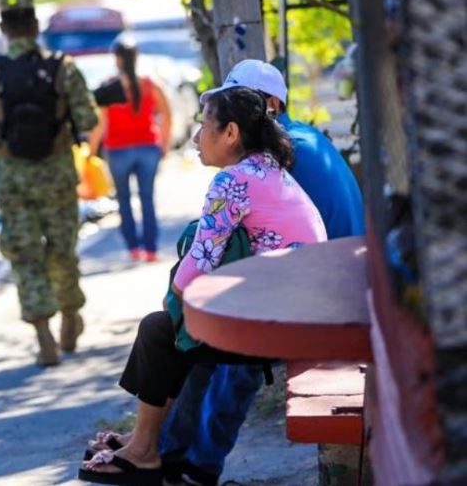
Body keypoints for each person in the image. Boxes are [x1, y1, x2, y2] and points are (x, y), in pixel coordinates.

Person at [79, 86, 327, 484]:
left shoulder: (233, 180)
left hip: (281, 324)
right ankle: (148, 444)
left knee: (160, 330)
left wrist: (172, 294)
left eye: (202, 127)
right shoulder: (266, 166)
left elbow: (195, 267)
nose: (194, 138)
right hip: (298, 312)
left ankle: (144, 450)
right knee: (181, 336)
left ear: (230, 133)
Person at [158, 59, 365, 485]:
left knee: (214, 349)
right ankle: (177, 456)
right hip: (336, 278)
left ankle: (187, 463)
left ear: (267, 104)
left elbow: (217, 241)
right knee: (215, 339)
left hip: (328, 291)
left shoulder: (283, 151)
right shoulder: (299, 140)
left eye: (245, 101)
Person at [0, 0, 98, 366]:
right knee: (62, 246)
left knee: (25, 254)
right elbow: (87, 121)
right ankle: (71, 313)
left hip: (12, 178)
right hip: (56, 171)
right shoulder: (63, 68)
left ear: (4, 29)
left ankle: (43, 334)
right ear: (36, 26)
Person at [88, 39, 172, 262]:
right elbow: (166, 114)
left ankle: (133, 248)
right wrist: (164, 143)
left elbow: (100, 123)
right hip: (148, 148)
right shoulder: (150, 85)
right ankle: (151, 249)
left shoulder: (109, 87)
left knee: (123, 199)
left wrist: (90, 150)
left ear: (116, 59)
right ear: (136, 58)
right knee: (147, 198)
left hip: (117, 151)